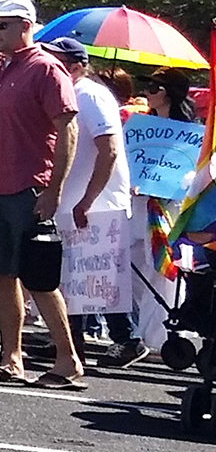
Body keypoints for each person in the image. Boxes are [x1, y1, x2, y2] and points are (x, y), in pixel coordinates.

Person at [0, 0, 84, 388]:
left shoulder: (47, 69)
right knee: (1, 275)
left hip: (29, 186)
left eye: (2, 25)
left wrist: (54, 190)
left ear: (26, 26)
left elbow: (68, 129)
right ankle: (11, 358)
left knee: (38, 277)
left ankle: (67, 359)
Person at [44, 39, 134, 366]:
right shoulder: (66, 94)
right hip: (73, 202)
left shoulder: (91, 95)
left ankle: (127, 338)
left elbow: (108, 150)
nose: (51, 66)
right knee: (75, 278)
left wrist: (88, 199)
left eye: (58, 61)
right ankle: (70, 342)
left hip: (97, 203)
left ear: (78, 65)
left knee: (97, 277)